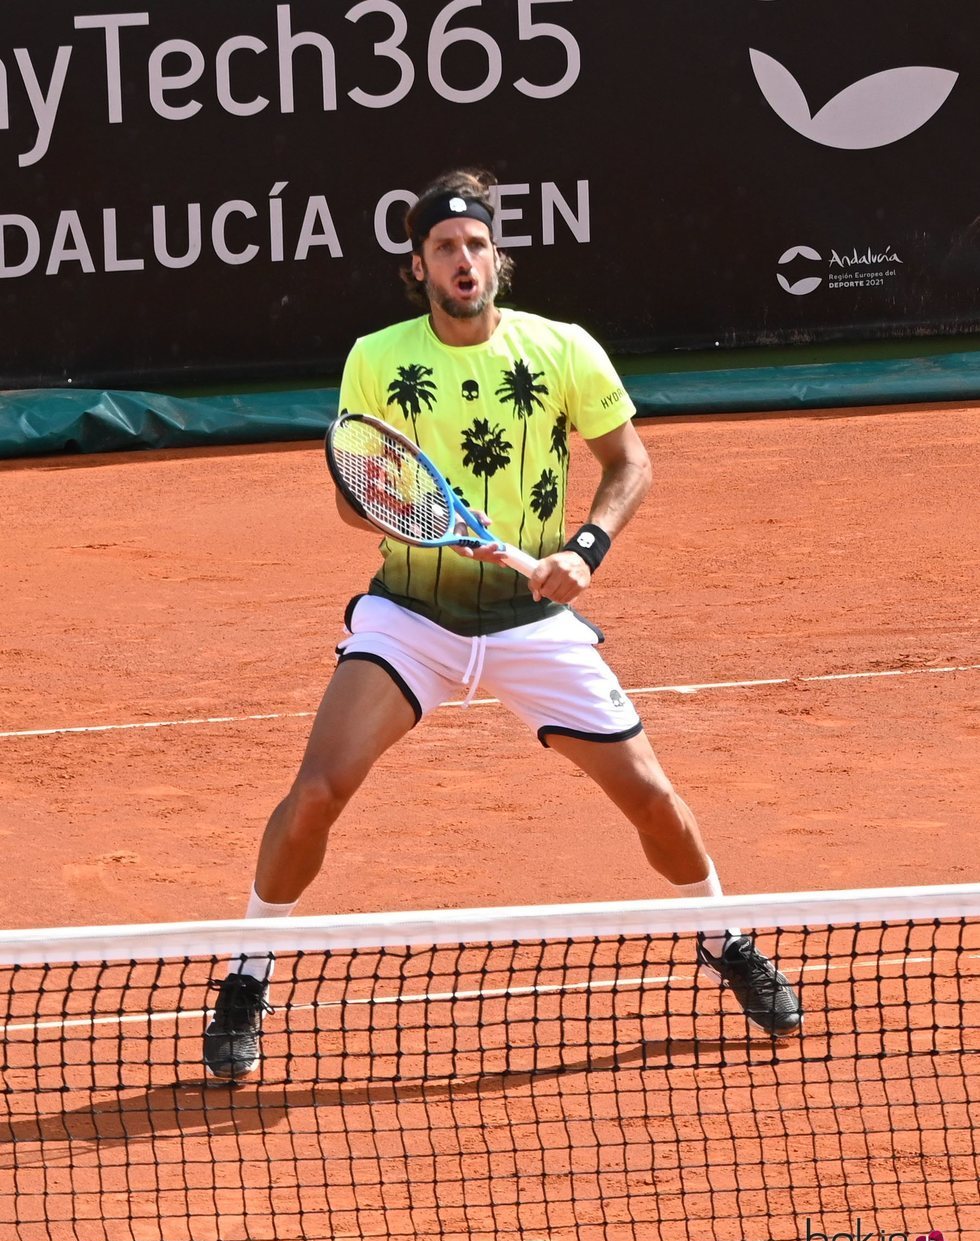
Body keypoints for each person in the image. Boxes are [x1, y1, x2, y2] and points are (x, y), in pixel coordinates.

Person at [203, 169, 802, 1079]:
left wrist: (586, 548)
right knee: (319, 789)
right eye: (445, 247)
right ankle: (248, 974)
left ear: (497, 258)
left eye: (477, 245)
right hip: (412, 617)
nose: (464, 260)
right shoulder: (376, 356)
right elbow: (354, 496)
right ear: (420, 267)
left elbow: (629, 461)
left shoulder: (561, 350)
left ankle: (724, 939)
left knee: (649, 797)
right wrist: (403, 515)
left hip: (534, 622)